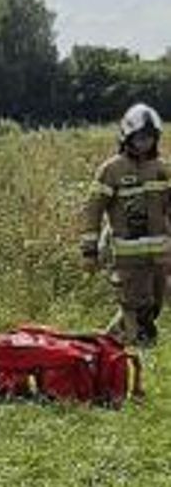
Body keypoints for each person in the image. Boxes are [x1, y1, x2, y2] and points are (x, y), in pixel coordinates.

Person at [81, 104, 171, 347]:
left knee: (153, 308)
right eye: (140, 138)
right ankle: (139, 358)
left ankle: (100, 349)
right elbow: (93, 211)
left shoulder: (162, 169)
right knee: (139, 314)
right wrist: (89, 251)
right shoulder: (111, 170)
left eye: (150, 138)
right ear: (127, 137)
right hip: (128, 257)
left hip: (160, 256)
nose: (145, 143)